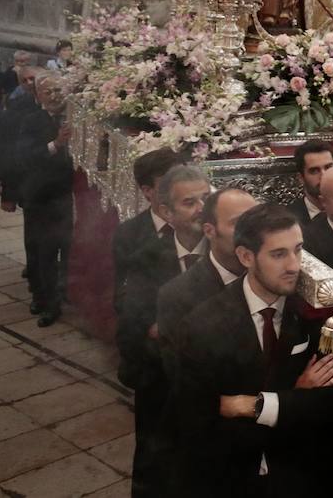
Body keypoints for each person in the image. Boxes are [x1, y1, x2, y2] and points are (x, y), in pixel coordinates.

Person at [173, 204, 333, 494]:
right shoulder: (203, 324)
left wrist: (251, 405)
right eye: (278, 254)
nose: (294, 265)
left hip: (300, 470)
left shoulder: (316, 314)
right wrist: (297, 395)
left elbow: (330, 401)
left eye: (298, 249)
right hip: (232, 475)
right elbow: (197, 415)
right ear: (246, 256)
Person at [119, 164, 209, 497]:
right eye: (190, 202)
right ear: (167, 212)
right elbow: (135, 329)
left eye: (206, 198)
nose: (201, 208)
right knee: (157, 468)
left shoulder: (227, 253)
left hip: (213, 388)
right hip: (163, 387)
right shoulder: (146, 259)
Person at [156, 187, 258, 380]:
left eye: (256, 222)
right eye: (239, 223)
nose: (252, 232)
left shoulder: (271, 275)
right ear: (210, 231)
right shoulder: (176, 295)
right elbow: (181, 374)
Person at [16, 72, 75, 324]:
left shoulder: (74, 119)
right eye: (48, 91)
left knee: (67, 249)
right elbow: (26, 156)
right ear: (38, 94)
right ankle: (45, 301)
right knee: (42, 252)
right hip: (39, 197)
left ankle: (63, 294)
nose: (54, 96)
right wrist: (56, 144)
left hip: (64, 197)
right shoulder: (31, 120)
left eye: (58, 91)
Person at [114, 149, 185, 316]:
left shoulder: (205, 223)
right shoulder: (129, 234)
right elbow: (122, 297)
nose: (183, 188)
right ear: (148, 191)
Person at [285, 139, 333, 226]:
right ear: (301, 178)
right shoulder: (287, 219)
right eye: (314, 171)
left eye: (328, 167)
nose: (324, 175)